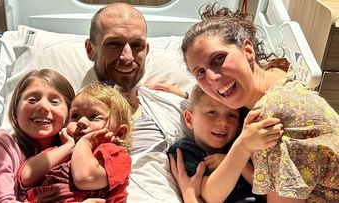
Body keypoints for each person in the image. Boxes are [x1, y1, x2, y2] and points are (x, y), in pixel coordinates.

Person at [178, 3, 339, 202]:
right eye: (200, 72)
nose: (212, 78)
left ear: (248, 50)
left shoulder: (269, 118)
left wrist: (191, 198)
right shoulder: (279, 74)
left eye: (219, 58)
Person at [83, 3, 193, 202]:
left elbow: (221, 126)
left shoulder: (172, 107)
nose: (127, 57)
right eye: (113, 44)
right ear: (91, 49)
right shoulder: (61, 114)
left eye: (137, 45)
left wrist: (188, 97)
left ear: (147, 50)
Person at [19, 82, 133, 203]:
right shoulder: (61, 150)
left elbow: (85, 178)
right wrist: (69, 146)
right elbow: (26, 176)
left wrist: (84, 143)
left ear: (119, 133)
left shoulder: (115, 154)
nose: (81, 121)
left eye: (94, 116)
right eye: (75, 116)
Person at [168, 84, 280, 203]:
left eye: (232, 115)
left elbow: (268, 192)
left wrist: (241, 165)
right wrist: (237, 156)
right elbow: (210, 197)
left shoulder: (242, 144)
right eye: (212, 112)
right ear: (190, 119)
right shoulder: (185, 151)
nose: (223, 122)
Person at [0, 69, 76, 202]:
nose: (43, 106)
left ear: (69, 114)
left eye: (54, 102)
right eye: (32, 100)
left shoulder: (77, 153)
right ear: (15, 110)